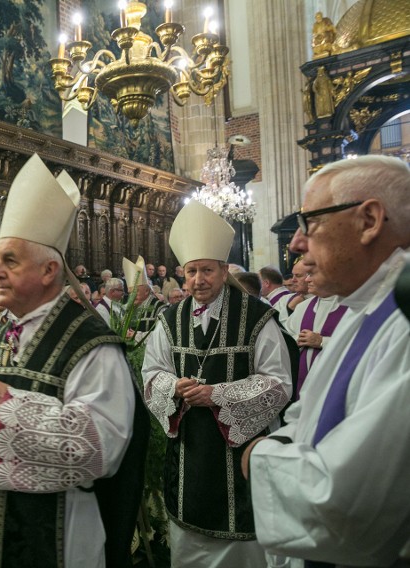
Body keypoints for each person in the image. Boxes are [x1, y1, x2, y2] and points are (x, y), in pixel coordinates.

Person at [0, 154, 149, 568]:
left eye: (8, 260)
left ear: (50, 269)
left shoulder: (93, 344)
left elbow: (102, 448)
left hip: (56, 537)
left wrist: (8, 405)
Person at [244, 155, 410, 566]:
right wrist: (284, 439)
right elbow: (312, 408)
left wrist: (259, 457)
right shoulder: (364, 306)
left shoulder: (402, 319)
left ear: (369, 220)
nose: (297, 243)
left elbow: (348, 500)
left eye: (311, 222)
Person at [142, 201, 293, 566]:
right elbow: (151, 372)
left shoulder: (257, 318)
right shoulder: (170, 318)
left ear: (224, 271)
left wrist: (218, 395)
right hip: (189, 453)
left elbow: (279, 383)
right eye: (191, 271)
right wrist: (172, 388)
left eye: (207, 270)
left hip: (239, 455)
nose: (199, 280)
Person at [283, 267, 348, 401]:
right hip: (302, 380)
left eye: (311, 275)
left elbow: (358, 344)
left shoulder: (350, 307)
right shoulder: (302, 307)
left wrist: (322, 341)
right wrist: (296, 340)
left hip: (335, 378)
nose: (307, 280)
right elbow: (286, 338)